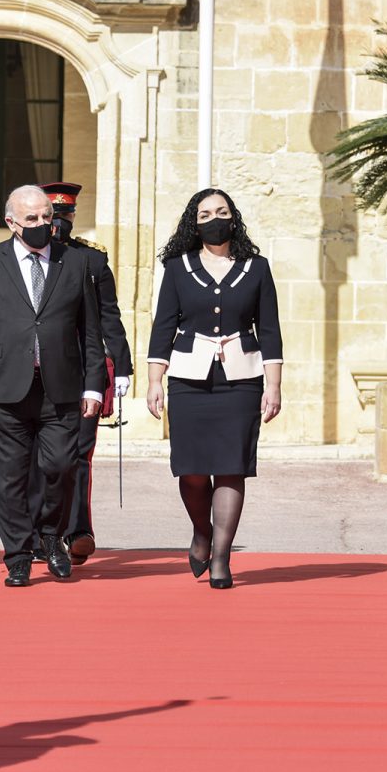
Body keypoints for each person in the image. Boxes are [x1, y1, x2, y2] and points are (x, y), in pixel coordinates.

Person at [0, 185, 105, 587]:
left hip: (62, 387)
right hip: (5, 387)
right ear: (12, 223)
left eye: (47, 217)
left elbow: (89, 330)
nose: (43, 225)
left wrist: (94, 386)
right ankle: (18, 554)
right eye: (33, 219)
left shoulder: (75, 263)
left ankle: (51, 535)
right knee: (10, 477)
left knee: (59, 466)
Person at [145, 188, 283, 589]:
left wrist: (272, 386)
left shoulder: (256, 267)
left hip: (241, 380)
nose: (214, 219)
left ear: (233, 217)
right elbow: (163, 326)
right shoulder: (177, 267)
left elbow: (270, 329)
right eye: (205, 214)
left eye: (221, 211)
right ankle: (201, 531)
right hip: (188, 377)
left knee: (230, 467)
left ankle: (221, 558)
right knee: (190, 470)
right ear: (194, 221)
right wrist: (155, 380)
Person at [29, 180, 132, 565]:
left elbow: (109, 315)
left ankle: (78, 531)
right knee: (38, 456)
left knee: (77, 455)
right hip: (39, 369)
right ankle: (40, 532)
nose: (60, 222)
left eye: (66, 214)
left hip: (84, 370)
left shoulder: (91, 260)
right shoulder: (27, 257)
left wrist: (121, 365)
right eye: (54, 215)